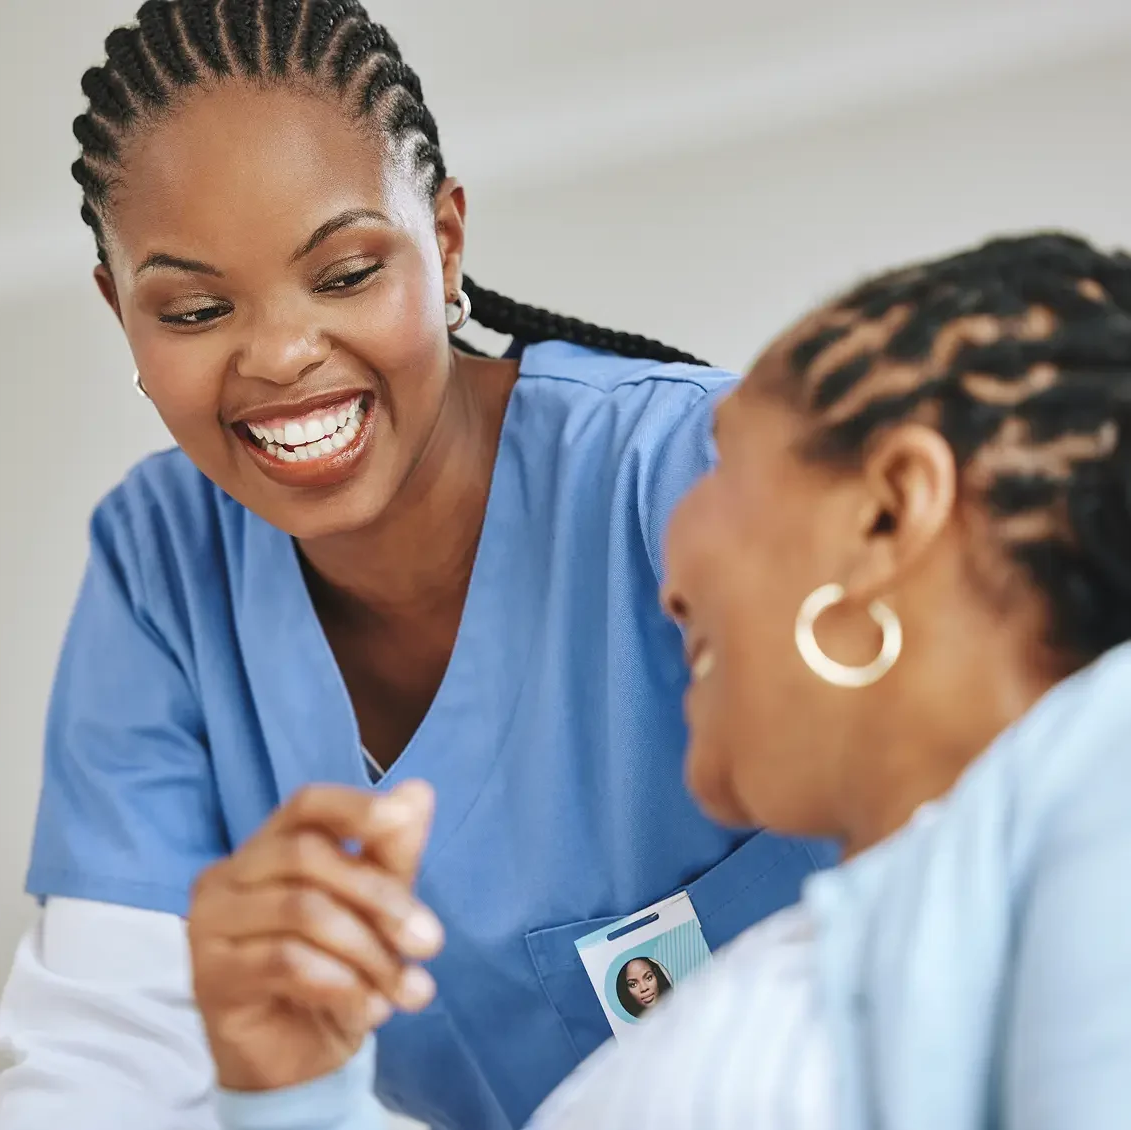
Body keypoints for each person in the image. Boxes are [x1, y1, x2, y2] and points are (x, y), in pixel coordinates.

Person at [0, 3, 835, 1129]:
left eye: (342, 274)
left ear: (446, 242)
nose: (281, 354)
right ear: (118, 311)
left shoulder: (692, 477)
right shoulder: (161, 574)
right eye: (193, 307)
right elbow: (97, 1071)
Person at [198, 231, 1131, 1130]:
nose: (669, 575)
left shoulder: (1102, 780)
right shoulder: (817, 960)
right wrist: (292, 1094)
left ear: (889, 513)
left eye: (724, 461)